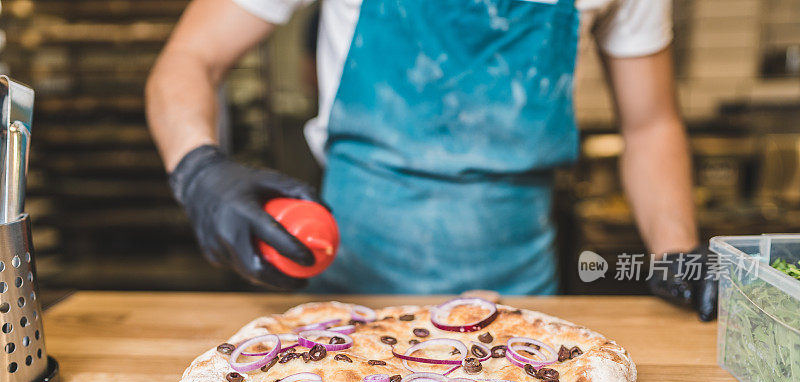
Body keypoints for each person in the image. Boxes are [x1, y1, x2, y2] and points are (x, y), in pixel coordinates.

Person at [145, 0, 716, 320]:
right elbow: (191, 57)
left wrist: (675, 251)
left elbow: (650, 125)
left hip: (521, 283)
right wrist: (198, 169)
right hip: (351, 283)